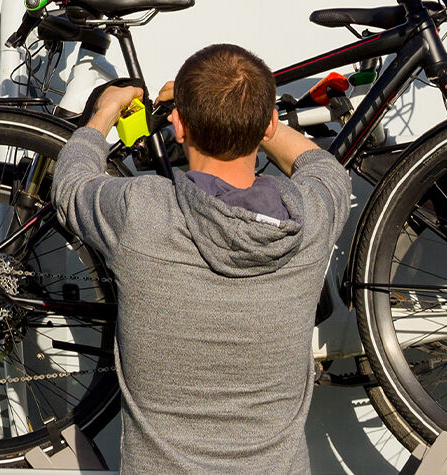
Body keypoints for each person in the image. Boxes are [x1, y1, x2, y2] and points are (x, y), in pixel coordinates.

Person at [51, 44, 351, 473]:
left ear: (178, 126)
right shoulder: (313, 218)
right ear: (269, 122)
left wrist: (104, 111)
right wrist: (259, 121)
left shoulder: (140, 213)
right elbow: (320, 166)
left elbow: (71, 184)